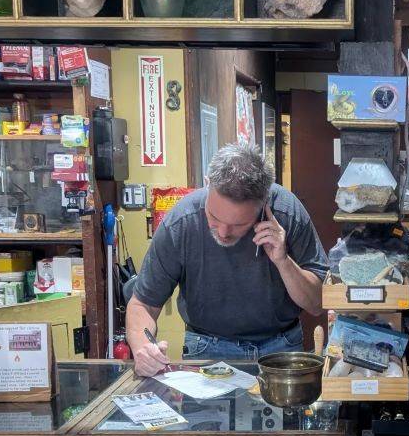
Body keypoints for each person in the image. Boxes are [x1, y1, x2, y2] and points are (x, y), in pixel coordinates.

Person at [126, 143, 328, 376]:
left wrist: (283, 261)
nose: (222, 232)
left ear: (264, 204)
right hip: (207, 347)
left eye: (239, 224)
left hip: (280, 347)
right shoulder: (182, 222)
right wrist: (143, 349)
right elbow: (143, 304)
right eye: (214, 217)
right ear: (208, 184)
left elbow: (316, 304)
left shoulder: (287, 212)